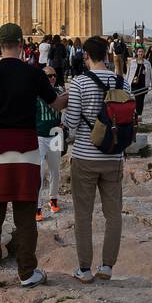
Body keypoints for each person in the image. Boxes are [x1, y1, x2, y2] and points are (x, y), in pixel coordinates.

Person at [0, 23, 66, 290]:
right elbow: (56, 104)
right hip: (26, 150)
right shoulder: (33, 73)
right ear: (22, 45)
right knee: (25, 217)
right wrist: (76, 94)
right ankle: (26, 274)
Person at [61, 36, 125, 283]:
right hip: (114, 155)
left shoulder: (79, 83)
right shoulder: (122, 82)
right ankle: (107, 266)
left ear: (86, 56)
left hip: (85, 157)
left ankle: (85, 270)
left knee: (83, 215)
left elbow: (72, 123)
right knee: (113, 214)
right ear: (107, 55)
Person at [35, 66, 64, 222]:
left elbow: (68, 109)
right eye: (48, 76)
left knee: (55, 170)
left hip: (54, 136)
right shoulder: (34, 93)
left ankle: (53, 199)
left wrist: (64, 125)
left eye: (54, 75)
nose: (52, 78)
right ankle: (37, 207)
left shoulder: (60, 93)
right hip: (39, 137)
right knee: (39, 172)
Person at [125, 46, 152, 119]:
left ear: (144, 53)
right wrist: (126, 83)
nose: (140, 53)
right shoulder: (132, 62)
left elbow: (151, 74)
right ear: (137, 53)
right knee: (137, 99)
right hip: (134, 83)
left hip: (143, 83)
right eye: (139, 51)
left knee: (141, 99)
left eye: (142, 52)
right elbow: (128, 73)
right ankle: (137, 114)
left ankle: (139, 114)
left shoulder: (147, 63)